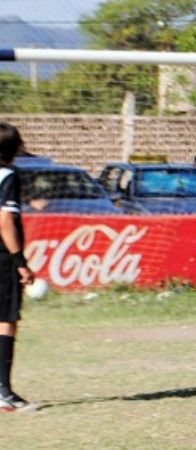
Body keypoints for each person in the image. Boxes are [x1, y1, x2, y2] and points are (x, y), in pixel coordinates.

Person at [0, 123, 35, 412]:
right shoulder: (8, 176)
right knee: (5, 320)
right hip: (1, 258)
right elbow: (5, 222)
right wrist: (20, 262)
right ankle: (2, 391)